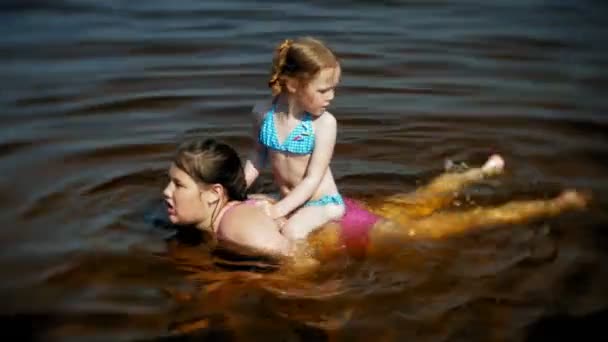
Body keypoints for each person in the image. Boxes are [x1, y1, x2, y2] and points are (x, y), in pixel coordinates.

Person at [163, 138, 589, 261]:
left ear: (215, 193)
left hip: (353, 230)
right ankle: (479, 172)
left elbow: (297, 261)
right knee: (420, 200)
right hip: (341, 211)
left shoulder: (235, 226)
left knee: (455, 225)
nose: (166, 192)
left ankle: (556, 205)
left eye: (178, 184)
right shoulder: (236, 212)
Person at [243, 37, 345, 241]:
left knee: (291, 231)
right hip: (287, 197)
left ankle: (300, 271)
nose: (331, 96)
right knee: (245, 204)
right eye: (323, 90)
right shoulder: (263, 114)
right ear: (292, 84)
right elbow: (257, 156)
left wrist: (279, 210)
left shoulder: (323, 124)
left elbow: (313, 178)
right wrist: (235, 189)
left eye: (333, 88)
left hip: (322, 203)